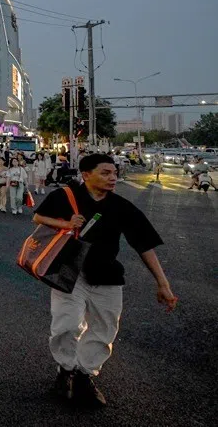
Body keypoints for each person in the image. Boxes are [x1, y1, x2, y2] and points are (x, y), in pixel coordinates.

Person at [33, 153, 177, 407]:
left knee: (104, 329)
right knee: (65, 324)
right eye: (105, 173)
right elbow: (38, 218)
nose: (113, 178)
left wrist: (163, 283)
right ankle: (65, 370)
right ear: (86, 175)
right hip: (68, 271)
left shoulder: (121, 207)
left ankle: (84, 374)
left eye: (114, 173)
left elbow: (144, 246)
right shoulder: (64, 196)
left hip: (108, 276)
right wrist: (65, 223)